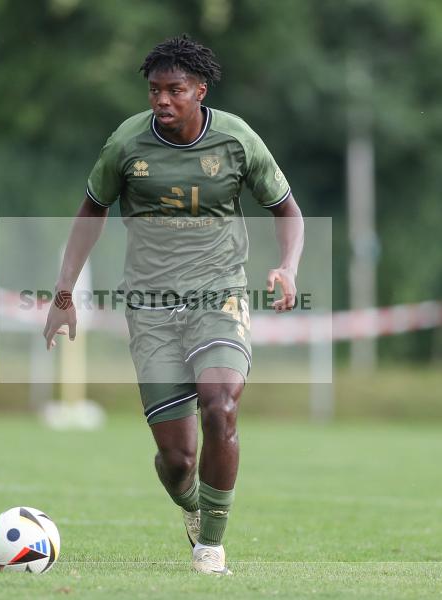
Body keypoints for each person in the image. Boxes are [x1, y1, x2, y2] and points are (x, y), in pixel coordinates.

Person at [43, 35, 304, 575]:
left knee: (220, 401)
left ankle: (211, 545)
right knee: (177, 461)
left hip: (220, 291)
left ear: (200, 91)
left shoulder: (236, 139)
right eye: (154, 91)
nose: (162, 101)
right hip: (150, 304)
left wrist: (288, 266)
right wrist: (63, 293)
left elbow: (288, 210)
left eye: (175, 90)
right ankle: (192, 505)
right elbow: (89, 213)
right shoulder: (126, 144)